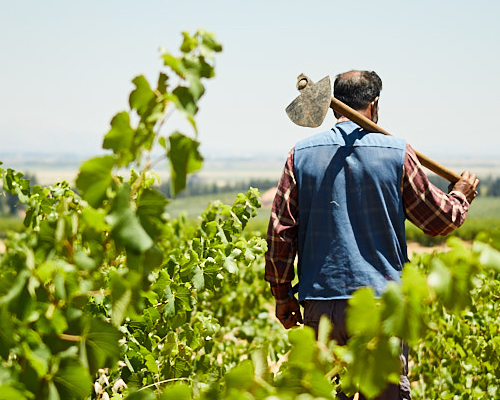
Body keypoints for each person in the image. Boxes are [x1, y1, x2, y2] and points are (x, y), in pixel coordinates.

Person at [264, 70, 479, 400]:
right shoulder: (397, 153)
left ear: (335, 106)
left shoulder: (301, 154)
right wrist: (461, 193)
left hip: (322, 306)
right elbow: (440, 221)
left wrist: (282, 296)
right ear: (374, 104)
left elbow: (280, 232)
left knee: (321, 392)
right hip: (382, 307)